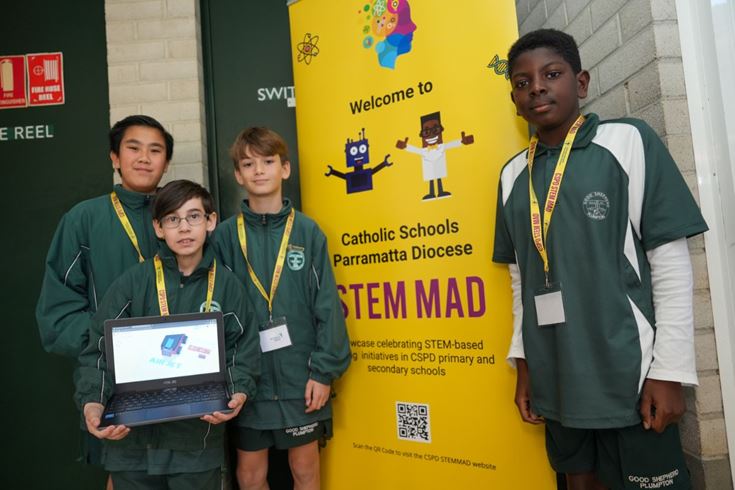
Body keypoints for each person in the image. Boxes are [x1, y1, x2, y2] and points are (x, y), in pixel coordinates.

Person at [492, 29, 707, 490]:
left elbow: (669, 264)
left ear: (582, 82)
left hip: (629, 374)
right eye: (523, 83)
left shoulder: (627, 141)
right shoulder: (511, 175)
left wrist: (670, 371)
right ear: (514, 100)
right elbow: (520, 280)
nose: (537, 88)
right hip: (556, 376)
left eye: (552, 74)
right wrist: (524, 363)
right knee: (578, 481)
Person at [75, 179, 260, 489]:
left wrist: (238, 391)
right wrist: (92, 402)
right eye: (173, 219)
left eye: (194, 216)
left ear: (211, 221)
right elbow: (97, 350)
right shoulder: (133, 282)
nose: (184, 227)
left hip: (196, 443)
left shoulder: (228, 287)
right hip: (132, 444)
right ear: (158, 228)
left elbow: (243, 350)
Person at [212, 127, 351, 490]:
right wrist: (227, 377)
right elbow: (217, 312)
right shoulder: (224, 237)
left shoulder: (308, 232)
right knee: (249, 475)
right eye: (248, 164)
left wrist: (323, 372)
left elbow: (327, 306)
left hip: (300, 380)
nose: (259, 170)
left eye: (268, 161)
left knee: (305, 471)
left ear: (285, 169)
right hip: (249, 382)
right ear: (238, 175)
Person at [36, 114, 173, 473]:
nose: (144, 158)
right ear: (114, 157)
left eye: (155, 150)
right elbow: (58, 315)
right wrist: (112, 343)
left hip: (176, 371)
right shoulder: (83, 219)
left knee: (184, 471)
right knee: (124, 474)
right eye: (133, 148)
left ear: (166, 162)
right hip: (113, 379)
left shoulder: (181, 217)